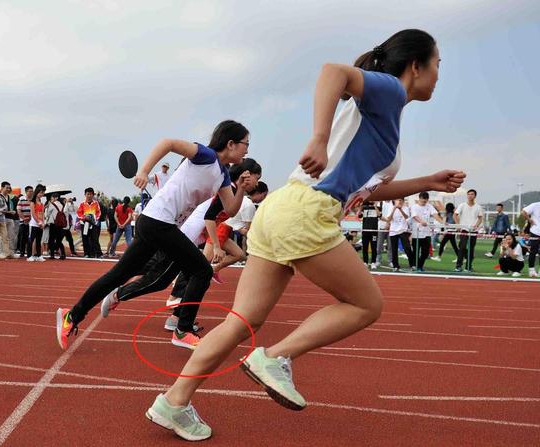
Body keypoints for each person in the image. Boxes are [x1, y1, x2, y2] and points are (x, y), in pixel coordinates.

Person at [146, 30, 466, 441]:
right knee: (366, 305)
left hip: (283, 208)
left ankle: (173, 402)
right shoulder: (388, 90)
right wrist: (317, 138)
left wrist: (430, 181)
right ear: (416, 66)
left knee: (241, 321)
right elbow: (332, 71)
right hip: (308, 211)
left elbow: (366, 189)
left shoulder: (382, 115)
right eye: (438, 64)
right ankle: (276, 357)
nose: (439, 74)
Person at [57, 120, 252, 351]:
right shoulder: (205, 155)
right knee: (201, 270)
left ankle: (72, 316)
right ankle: (183, 329)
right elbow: (168, 143)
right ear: (230, 144)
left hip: (157, 224)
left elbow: (230, 209)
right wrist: (144, 171)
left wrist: (240, 188)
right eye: (245, 144)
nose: (247, 149)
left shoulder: (223, 176)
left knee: (119, 275)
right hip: (159, 220)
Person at [409, 191, 442, 272]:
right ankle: (414, 266)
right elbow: (414, 216)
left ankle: (420, 266)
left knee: (426, 252)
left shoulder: (429, 206)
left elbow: (435, 215)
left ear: (427, 200)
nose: (424, 202)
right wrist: (421, 222)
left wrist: (442, 222)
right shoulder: (414, 207)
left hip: (427, 232)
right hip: (416, 233)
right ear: (419, 198)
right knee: (416, 251)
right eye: (422, 200)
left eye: (425, 201)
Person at [454, 189, 483, 272]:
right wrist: (458, 225)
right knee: (462, 247)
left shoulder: (478, 207)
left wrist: (476, 225)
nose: (470, 196)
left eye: (472, 194)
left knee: (471, 249)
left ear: (475, 196)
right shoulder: (462, 205)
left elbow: (480, 218)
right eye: (469, 194)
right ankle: (458, 266)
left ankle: (468, 266)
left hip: (473, 231)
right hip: (464, 230)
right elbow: (455, 215)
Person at [384, 198, 415, 272]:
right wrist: (394, 209)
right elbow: (388, 219)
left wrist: (400, 209)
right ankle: (396, 266)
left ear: (403, 201)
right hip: (393, 231)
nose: (399, 201)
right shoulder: (391, 208)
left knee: (407, 248)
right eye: (398, 200)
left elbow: (407, 217)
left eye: (401, 200)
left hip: (403, 230)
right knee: (394, 249)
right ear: (394, 201)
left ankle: (412, 264)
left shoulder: (406, 208)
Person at [76, 187, 101, 258]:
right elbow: (78, 213)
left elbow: (98, 213)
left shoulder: (96, 203)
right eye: (88, 194)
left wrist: (94, 219)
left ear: (93, 195)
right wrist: (84, 217)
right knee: (85, 238)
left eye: (91, 194)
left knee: (95, 238)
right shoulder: (82, 204)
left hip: (93, 223)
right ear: (85, 195)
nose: (89, 195)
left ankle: (98, 254)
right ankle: (87, 253)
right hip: (85, 224)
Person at [358, 200, 380, 269]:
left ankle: (373, 262)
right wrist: (361, 207)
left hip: (374, 231)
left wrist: (375, 206)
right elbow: (359, 215)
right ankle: (365, 262)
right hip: (365, 231)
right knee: (365, 247)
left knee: (374, 247)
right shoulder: (364, 208)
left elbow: (379, 215)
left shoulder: (377, 207)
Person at [27, 184, 46, 262]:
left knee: (39, 240)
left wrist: (43, 222)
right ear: (37, 192)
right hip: (34, 224)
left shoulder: (41, 203)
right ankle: (29, 256)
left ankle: (39, 255)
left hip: (40, 224)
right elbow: (33, 214)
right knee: (31, 240)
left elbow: (42, 214)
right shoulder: (32, 203)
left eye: (43, 192)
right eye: (40, 192)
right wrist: (39, 222)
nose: (42, 194)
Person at [521, 201, 540, 278]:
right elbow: (523, 211)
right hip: (535, 231)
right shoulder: (535, 205)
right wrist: (529, 220)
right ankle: (531, 270)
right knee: (533, 252)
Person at [46, 193, 67, 260]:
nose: (51, 199)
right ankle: (63, 254)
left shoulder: (51, 204)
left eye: (52, 198)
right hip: (60, 224)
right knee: (59, 240)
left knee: (51, 240)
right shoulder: (61, 204)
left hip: (53, 224)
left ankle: (52, 255)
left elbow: (48, 214)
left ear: (55, 198)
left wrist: (48, 206)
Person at [17, 186, 33, 258]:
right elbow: (19, 210)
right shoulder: (21, 199)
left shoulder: (33, 200)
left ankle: (29, 251)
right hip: (23, 222)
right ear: (26, 192)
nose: (31, 192)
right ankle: (22, 252)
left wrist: (29, 219)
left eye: (32, 191)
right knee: (23, 237)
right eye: (30, 191)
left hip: (31, 221)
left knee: (30, 237)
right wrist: (24, 219)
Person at [375, 200, 393, 266]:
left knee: (390, 245)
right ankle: (378, 260)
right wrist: (387, 222)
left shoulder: (393, 203)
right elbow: (379, 215)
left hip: (391, 228)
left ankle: (390, 261)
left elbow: (393, 215)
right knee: (379, 245)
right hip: (381, 227)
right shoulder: (380, 203)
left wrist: (389, 224)